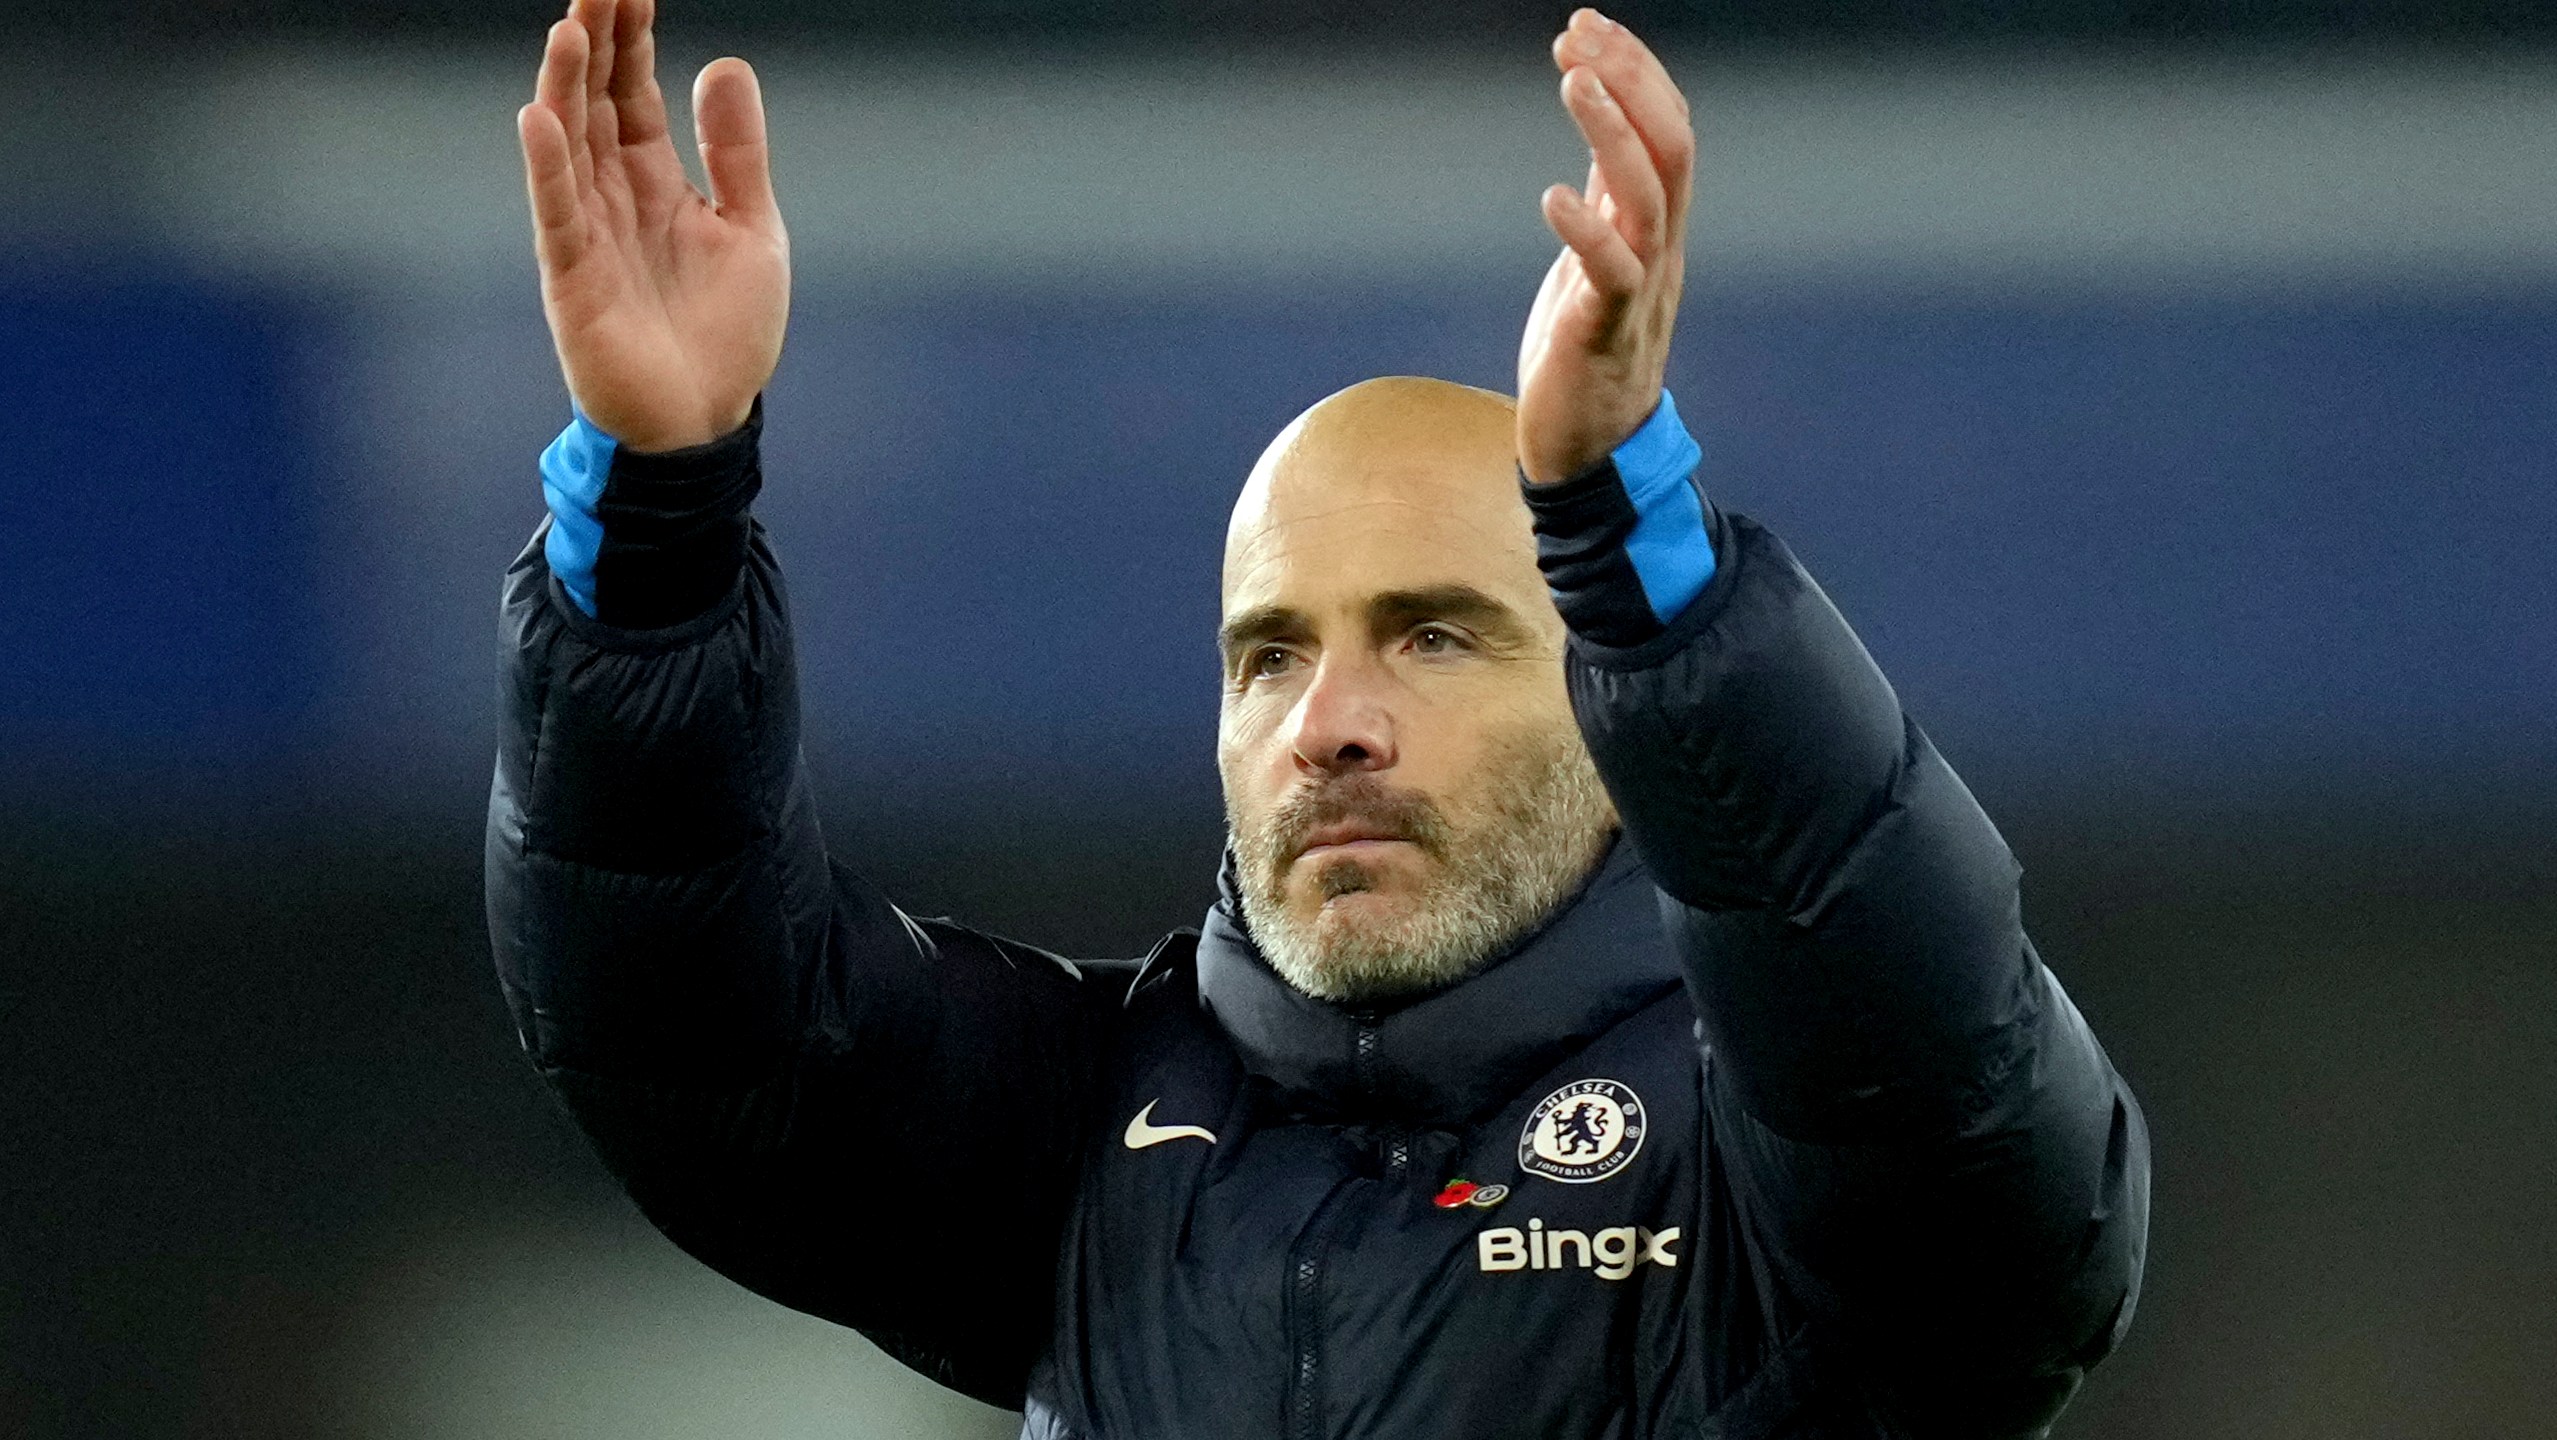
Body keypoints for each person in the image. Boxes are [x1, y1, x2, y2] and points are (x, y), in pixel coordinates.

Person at [487, 2, 2151, 1436]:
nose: (1330, 722)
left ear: (1608, 709)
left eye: (1433, 636)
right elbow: (686, 1016)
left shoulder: (1756, 1163)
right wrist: (654, 521)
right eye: (1268, 657)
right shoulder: (1079, 1132)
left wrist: (1630, 544)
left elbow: (1966, 1122)